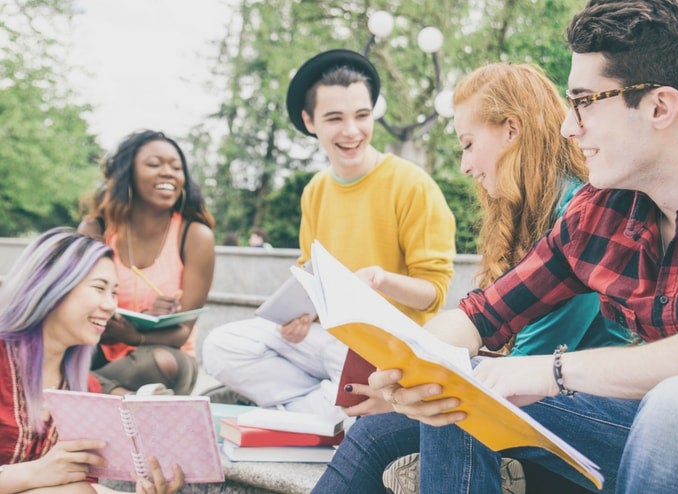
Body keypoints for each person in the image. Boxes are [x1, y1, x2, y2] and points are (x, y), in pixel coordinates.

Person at [369, 1, 678, 493]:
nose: (568, 126)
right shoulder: (601, 211)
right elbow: (482, 315)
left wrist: (556, 371)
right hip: (652, 434)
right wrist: (414, 370)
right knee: (468, 383)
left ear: (659, 107)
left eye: (584, 100)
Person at [312, 62, 633, 494]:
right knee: (374, 433)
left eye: (468, 145)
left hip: (599, 406)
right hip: (549, 395)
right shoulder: (538, 215)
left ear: (511, 130)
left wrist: (417, 384)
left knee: (461, 388)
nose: (464, 165)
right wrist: (400, 387)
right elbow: (481, 316)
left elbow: (531, 361)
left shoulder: (583, 214)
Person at [201, 49, 456, 417]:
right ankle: (315, 410)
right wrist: (301, 313)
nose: (352, 131)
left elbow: (432, 294)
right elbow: (311, 272)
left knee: (352, 388)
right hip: (327, 339)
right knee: (220, 346)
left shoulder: (412, 184)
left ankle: (300, 409)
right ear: (310, 121)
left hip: (382, 347)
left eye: (362, 116)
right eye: (335, 118)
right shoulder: (316, 190)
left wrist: (380, 279)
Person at [0, 227, 183, 493]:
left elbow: (81, 487)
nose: (110, 305)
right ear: (53, 288)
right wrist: (32, 473)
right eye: (99, 288)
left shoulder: (86, 390)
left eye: (113, 293)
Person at [78, 129, 216, 396]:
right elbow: (75, 308)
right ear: (127, 174)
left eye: (176, 168)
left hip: (162, 359)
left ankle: (77, 388)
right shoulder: (96, 229)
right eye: (154, 164)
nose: (168, 173)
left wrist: (138, 333)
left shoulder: (195, 236)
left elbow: (181, 333)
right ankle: (122, 396)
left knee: (162, 362)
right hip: (97, 350)